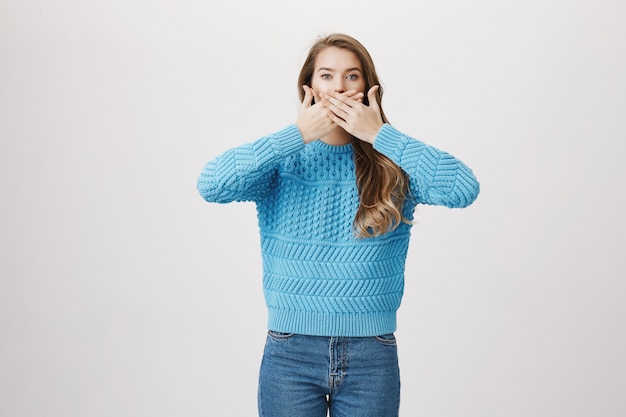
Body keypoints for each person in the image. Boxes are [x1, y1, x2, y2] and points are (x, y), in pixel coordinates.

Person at [197, 33, 479, 417]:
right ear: (309, 87)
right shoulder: (283, 161)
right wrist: (295, 134)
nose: (339, 88)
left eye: (352, 76)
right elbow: (211, 184)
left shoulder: (391, 162)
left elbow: (464, 188)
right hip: (290, 352)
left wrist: (381, 134)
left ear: (368, 88)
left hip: (371, 354)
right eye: (327, 76)